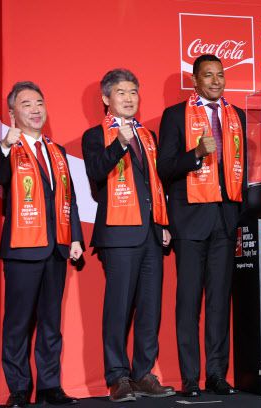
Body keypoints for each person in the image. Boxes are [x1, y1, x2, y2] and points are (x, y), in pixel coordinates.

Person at [0, 81, 83, 407]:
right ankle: (18, 389)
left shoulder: (57, 152)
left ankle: (49, 386)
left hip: (56, 248)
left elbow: (69, 198)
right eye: (26, 104)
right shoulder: (4, 149)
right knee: (18, 324)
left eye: (39, 103)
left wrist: (75, 237)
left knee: (51, 323)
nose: (35, 109)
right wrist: (4, 146)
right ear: (13, 112)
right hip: (23, 249)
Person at [82, 69, 175, 402]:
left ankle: (143, 374)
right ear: (106, 98)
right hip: (118, 233)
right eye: (121, 92)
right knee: (118, 308)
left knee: (150, 307)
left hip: (150, 232)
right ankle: (117, 376)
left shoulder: (148, 135)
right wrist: (119, 143)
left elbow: (156, 184)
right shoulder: (95, 136)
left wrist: (163, 223)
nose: (128, 98)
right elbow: (96, 172)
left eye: (133, 92)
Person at [158, 54, 246, 396]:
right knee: (189, 303)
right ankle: (190, 378)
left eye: (220, 75)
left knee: (219, 303)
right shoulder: (175, 115)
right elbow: (165, 168)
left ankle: (217, 374)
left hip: (226, 220)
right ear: (194, 81)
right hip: (190, 221)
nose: (215, 81)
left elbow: (244, 170)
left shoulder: (237, 116)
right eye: (208, 75)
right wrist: (195, 153)